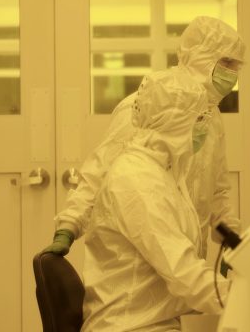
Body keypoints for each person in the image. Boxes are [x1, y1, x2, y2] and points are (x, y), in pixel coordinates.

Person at [43, 16, 245, 261]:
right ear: (200, 57)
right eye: (226, 62)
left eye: (236, 66)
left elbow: (217, 191)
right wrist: (69, 225)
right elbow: (100, 173)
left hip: (187, 256)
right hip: (136, 260)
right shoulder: (150, 106)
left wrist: (232, 238)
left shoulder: (212, 117)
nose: (232, 73)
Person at [81, 67, 226, 331]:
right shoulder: (137, 182)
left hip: (151, 320)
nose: (204, 129)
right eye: (200, 119)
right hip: (130, 325)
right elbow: (185, 276)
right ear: (174, 121)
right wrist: (248, 296)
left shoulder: (160, 172)